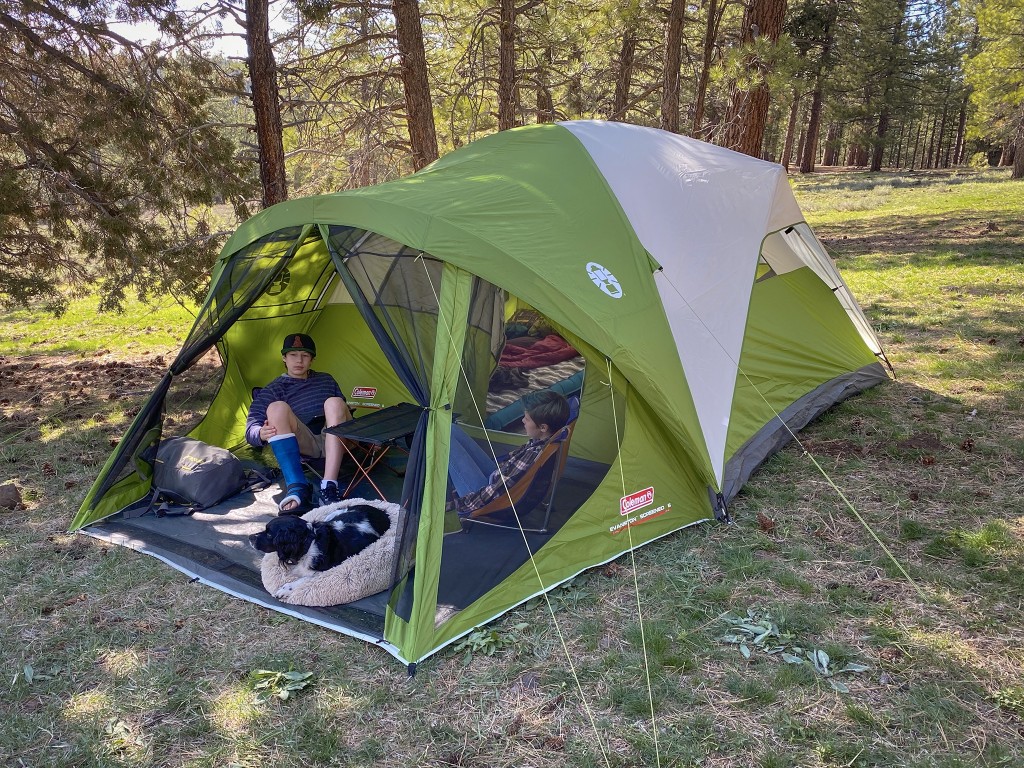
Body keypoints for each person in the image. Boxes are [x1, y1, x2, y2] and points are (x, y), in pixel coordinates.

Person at [245, 333, 352, 514]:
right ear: (284, 358)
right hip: (306, 442)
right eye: (293, 355)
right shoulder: (274, 389)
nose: (299, 361)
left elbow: (343, 411)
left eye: (305, 355)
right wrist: (260, 433)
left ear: (312, 360)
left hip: (337, 437)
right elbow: (251, 428)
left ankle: (329, 486)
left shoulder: (326, 379)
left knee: (334, 402)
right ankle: (297, 486)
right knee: (277, 408)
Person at [446, 390, 570, 519]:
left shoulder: (533, 454)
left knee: (443, 435)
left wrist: (457, 503)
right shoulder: (546, 441)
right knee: (451, 429)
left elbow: (495, 492)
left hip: (486, 498)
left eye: (527, 419)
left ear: (543, 428)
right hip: (496, 478)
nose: (522, 421)